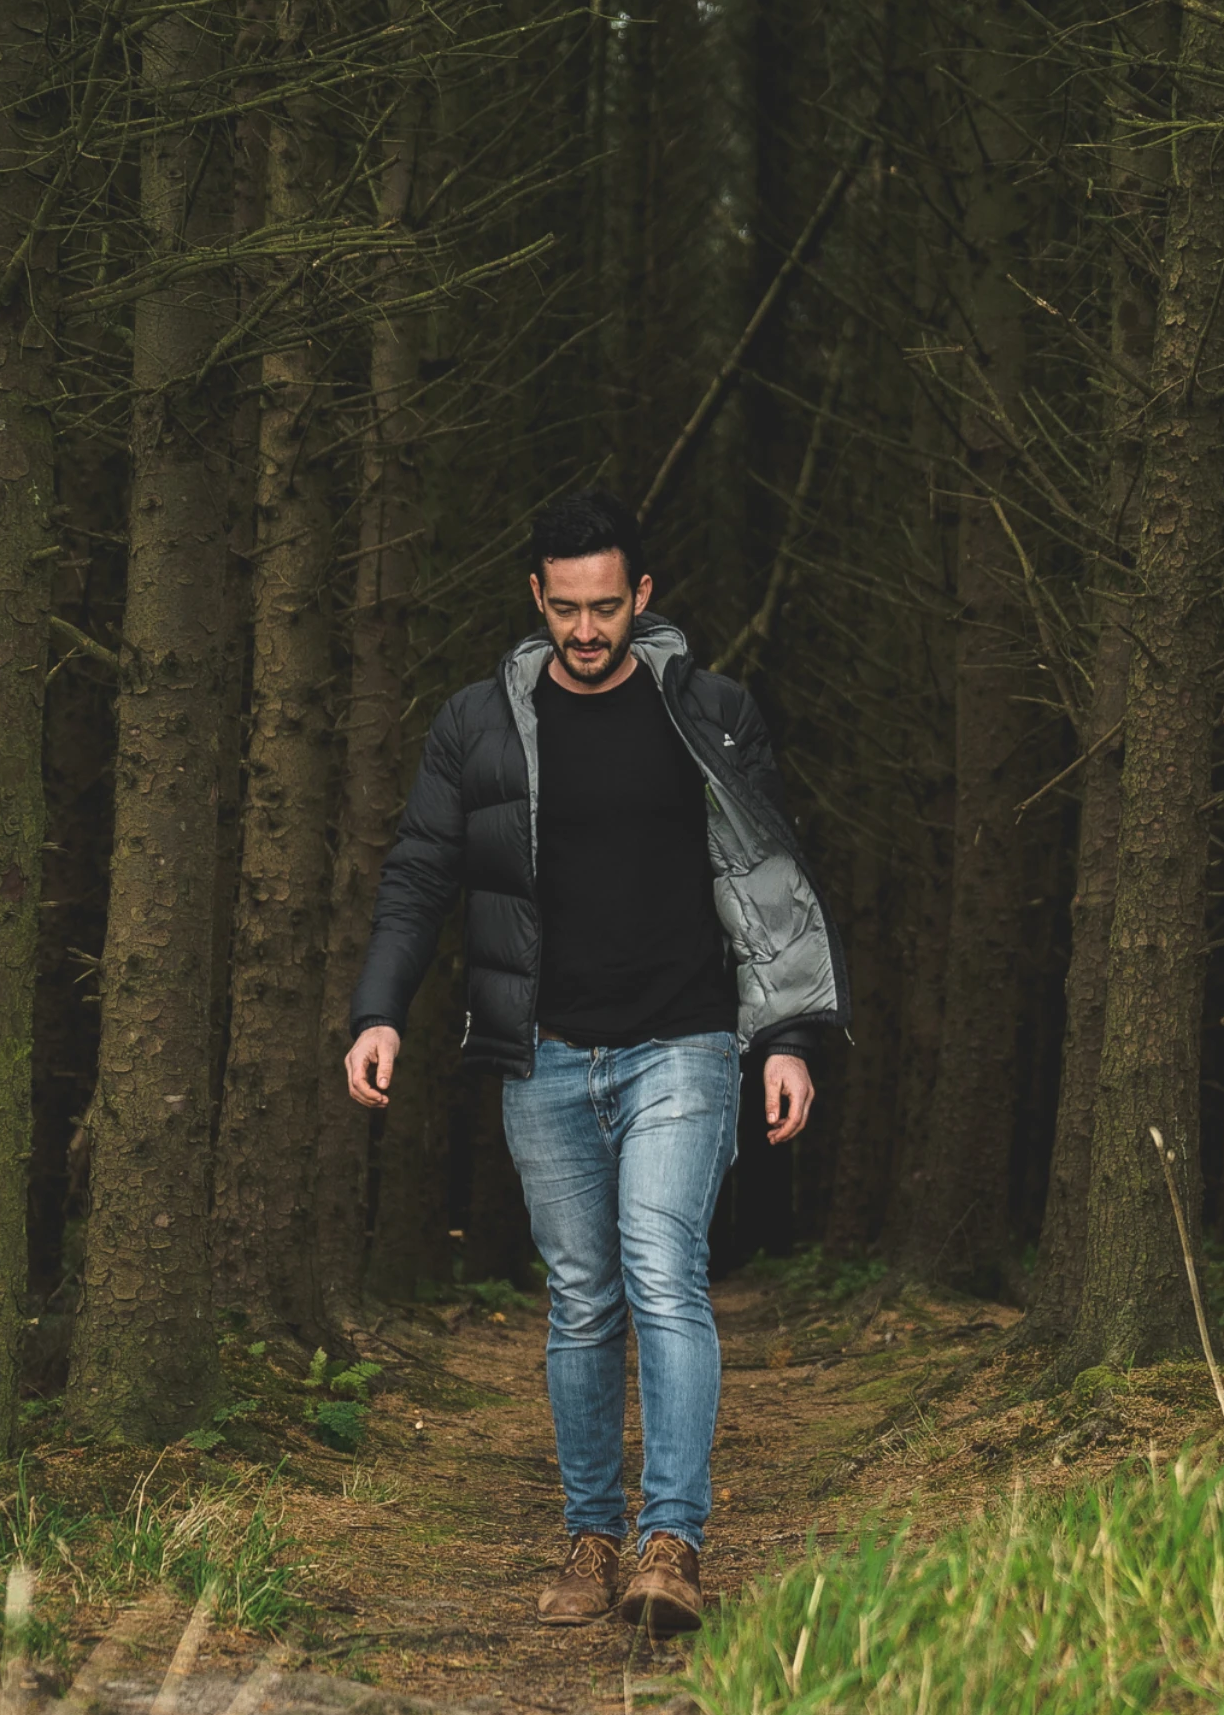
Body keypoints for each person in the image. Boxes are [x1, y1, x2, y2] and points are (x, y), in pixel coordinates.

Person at [344, 489, 848, 1632]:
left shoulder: (709, 713)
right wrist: (380, 1009)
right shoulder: (478, 723)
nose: (585, 629)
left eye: (606, 607)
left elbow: (772, 887)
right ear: (536, 598)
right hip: (547, 1056)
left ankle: (672, 1541)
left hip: (686, 1040)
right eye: (565, 608)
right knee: (582, 1300)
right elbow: (420, 869)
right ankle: (590, 1537)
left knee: (662, 1268)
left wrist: (789, 1038)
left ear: (643, 599)